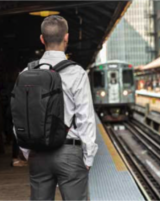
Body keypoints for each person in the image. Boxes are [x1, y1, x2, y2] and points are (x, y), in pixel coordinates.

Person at [18, 16, 98, 201]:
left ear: (42, 39)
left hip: (38, 153)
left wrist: (27, 151)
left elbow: (19, 116)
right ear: (67, 37)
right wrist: (88, 157)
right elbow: (85, 117)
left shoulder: (25, 73)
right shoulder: (76, 72)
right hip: (69, 152)